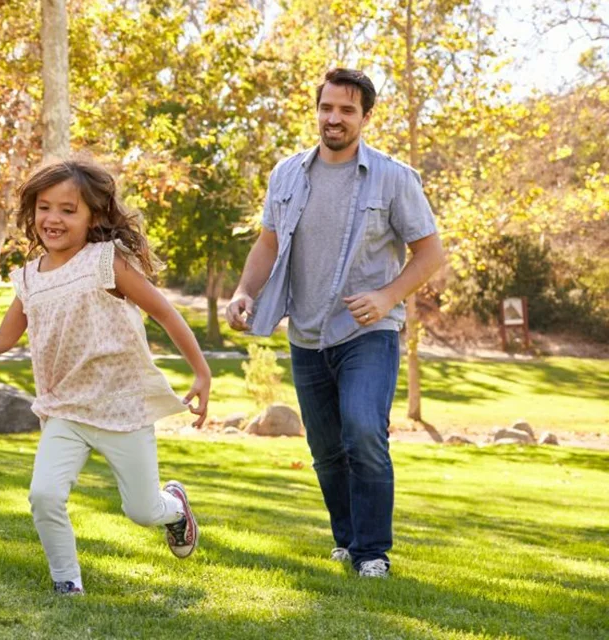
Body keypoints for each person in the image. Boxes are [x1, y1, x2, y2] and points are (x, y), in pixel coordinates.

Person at [0, 159, 210, 596]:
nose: (53, 219)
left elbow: (164, 312)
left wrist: (201, 372)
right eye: (44, 208)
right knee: (45, 496)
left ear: (94, 215)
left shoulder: (106, 262)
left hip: (119, 406)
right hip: (64, 409)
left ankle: (174, 509)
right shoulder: (29, 279)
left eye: (68, 210)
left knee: (142, 511)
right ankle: (66, 581)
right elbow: (3, 336)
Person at [225, 68, 446, 578]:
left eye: (347, 110)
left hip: (368, 331)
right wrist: (244, 292)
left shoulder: (394, 177)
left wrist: (388, 294)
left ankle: (373, 553)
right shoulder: (287, 174)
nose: (334, 118)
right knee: (325, 448)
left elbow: (430, 253)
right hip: (306, 331)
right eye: (327, 107)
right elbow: (268, 243)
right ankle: (347, 540)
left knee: (364, 432)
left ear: (366, 117)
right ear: (317, 110)